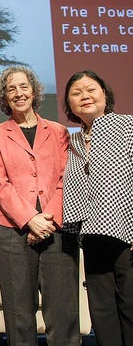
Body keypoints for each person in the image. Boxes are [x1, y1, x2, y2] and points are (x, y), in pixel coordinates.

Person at [0, 66, 79, 345]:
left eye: (24, 86)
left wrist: (46, 220)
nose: (18, 93)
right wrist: (30, 220)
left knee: (62, 314)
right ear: (4, 97)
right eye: (11, 89)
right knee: (19, 316)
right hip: (10, 234)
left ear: (34, 91)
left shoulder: (60, 131)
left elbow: (66, 179)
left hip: (57, 228)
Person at [62, 70, 133, 346]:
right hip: (91, 235)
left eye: (91, 90)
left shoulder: (128, 126)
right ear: (69, 105)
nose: (85, 97)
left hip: (126, 235)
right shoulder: (74, 141)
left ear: (105, 96)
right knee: (102, 313)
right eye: (77, 93)